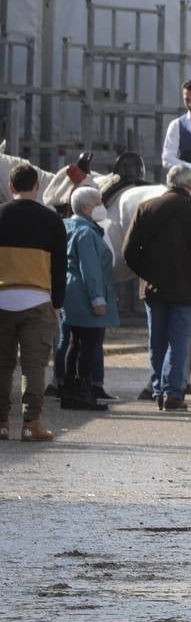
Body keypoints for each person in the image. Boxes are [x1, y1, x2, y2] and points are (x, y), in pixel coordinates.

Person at [123, 165, 191, 411]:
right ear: (190, 186)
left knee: (157, 340)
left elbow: (128, 251)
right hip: (186, 288)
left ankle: (158, 389)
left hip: (153, 288)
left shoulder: (146, 208)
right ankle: (173, 393)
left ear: (168, 182)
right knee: (179, 342)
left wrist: (146, 274)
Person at [0, 162, 66, 440]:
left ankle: (1, 423)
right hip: (38, 299)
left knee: (2, 366)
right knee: (34, 366)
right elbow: (60, 267)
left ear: (10, 187)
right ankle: (31, 424)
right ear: (37, 187)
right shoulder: (52, 220)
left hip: (1, 298)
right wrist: (57, 302)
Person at [59, 186, 117, 413]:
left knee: (75, 342)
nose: (101, 207)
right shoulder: (86, 233)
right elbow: (90, 269)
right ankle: (83, 393)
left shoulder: (68, 226)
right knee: (89, 345)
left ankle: (70, 391)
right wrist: (97, 300)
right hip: (85, 295)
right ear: (85, 207)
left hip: (70, 293)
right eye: (98, 202)